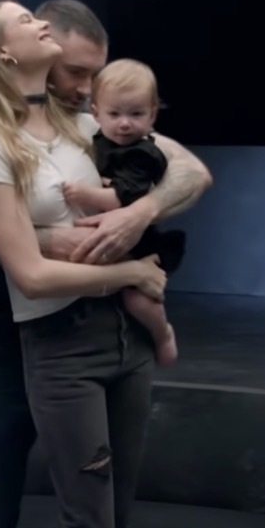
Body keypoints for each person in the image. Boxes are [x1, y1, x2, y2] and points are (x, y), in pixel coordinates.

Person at [0, 0, 213, 528]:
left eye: (95, 74)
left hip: (93, 323)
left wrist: (139, 211)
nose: (88, 86)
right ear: (14, 53)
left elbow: (189, 170)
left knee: (105, 514)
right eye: (78, 72)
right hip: (5, 329)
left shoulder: (87, 122)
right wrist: (53, 243)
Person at [62, 58, 186, 367]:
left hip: (138, 242)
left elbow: (124, 196)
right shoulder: (97, 141)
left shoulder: (143, 153)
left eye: (136, 114)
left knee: (138, 299)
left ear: (153, 114)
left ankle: (162, 333)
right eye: (114, 114)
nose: (125, 123)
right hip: (106, 242)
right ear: (96, 114)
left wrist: (87, 192)